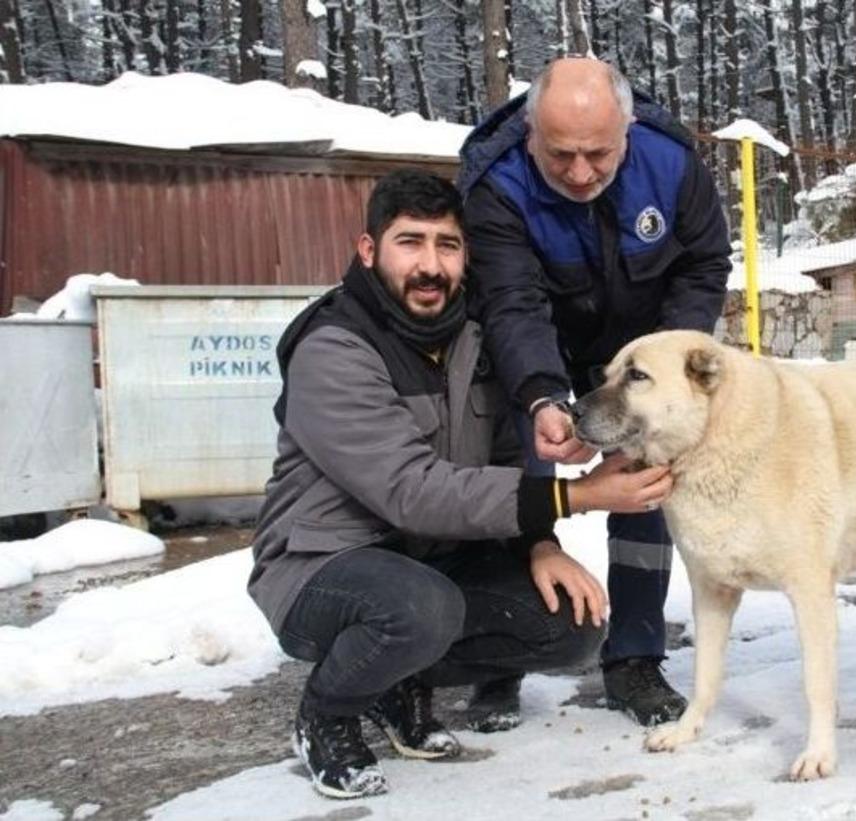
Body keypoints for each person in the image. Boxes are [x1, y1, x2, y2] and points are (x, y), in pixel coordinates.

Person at [247, 169, 672, 799]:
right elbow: (411, 491)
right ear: (369, 251)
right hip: (320, 565)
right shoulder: (334, 347)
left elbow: (505, 454)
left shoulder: (473, 337)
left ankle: (395, 685)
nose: (430, 265)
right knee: (418, 608)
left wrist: (540, 544)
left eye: (447, 245)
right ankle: (327, 715)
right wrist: (578, 495)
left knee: (569, 625)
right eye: (409, 242)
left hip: (431, 559)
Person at [458, 57, 733, 727]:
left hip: (640, 347)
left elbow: (704, 264)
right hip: (534, 348)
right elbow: (513, 302)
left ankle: (634, 655)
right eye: (560, 156)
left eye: (598, 154)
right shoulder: (497, 186)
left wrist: (663, 362)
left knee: (645, 475)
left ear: (628, 129)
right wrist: (544, 395)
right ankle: (503, 654)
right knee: (517, 474)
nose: (580, 173)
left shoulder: (673, 167)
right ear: (530, 136)